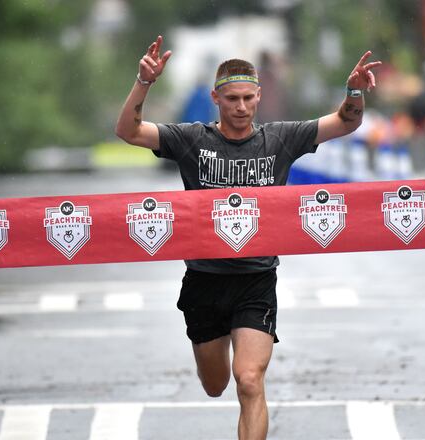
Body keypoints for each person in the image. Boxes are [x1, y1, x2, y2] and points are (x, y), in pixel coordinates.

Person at [115, 35, 380, 440]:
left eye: (248, 99)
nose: (241, 108)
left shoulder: (279, 140)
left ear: (258, 98)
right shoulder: (193, 140)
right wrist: (144, 82)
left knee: (249, 380)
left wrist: (353, 91)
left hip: (256, 279)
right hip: (205, 279)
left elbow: (346, 121)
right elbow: (129, 131)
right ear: (216, 99)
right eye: (232, 99)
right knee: (215, 384)